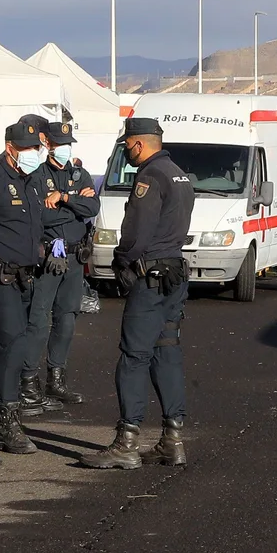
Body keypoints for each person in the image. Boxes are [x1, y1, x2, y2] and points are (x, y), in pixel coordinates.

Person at [83, 117, 195, 471]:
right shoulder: (178, 174)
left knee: (134, 357)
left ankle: (127, 442)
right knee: (167, 351)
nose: (127, 151)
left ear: (138, 144)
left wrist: (121, 261)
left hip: (150, 277)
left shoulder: (149, 178)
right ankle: (172, 439)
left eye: (127, 145)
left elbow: (136, 234)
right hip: (174, 274)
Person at [0, 118, 49, 454]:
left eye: (37, 147)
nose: (35, 153)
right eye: (28, 148)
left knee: (6, 350)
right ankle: (7, 423)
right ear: (11, 149)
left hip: (25, 277)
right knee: (12, 346)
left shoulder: (32, 181)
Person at [19, 119, 100, 410]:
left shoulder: (80, 173)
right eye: (58, 144)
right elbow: (41, 216)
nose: (64, 149)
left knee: (66, 318)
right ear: (47, 145)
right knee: (38, 319)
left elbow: (93, 208)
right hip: (49, 256)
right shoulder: (37, 176)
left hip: (76, 256)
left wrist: (65, 198)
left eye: (67, 144)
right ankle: (28, 380)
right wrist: (75, 204)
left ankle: (57, 379)